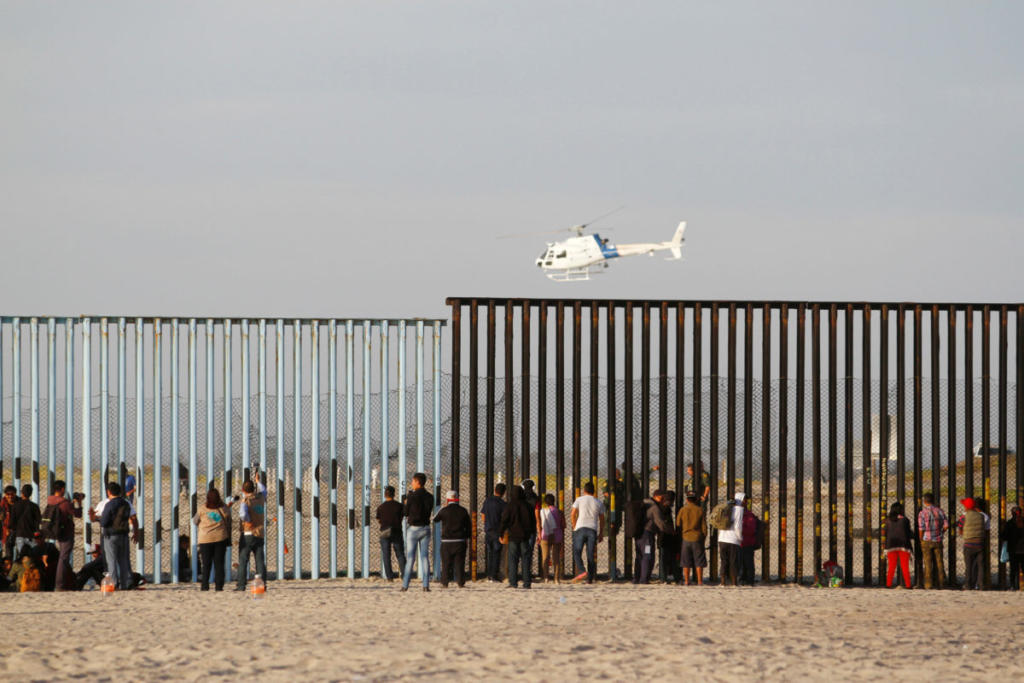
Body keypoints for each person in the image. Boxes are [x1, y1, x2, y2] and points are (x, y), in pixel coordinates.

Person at [90, 481, 139, 590]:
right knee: (124, 560)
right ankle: (125, 584)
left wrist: (96, 517)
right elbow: (134, 518)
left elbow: (104, 521)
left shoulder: (108, 504)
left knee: (111, 561)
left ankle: (114, 583)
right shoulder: (126, 503)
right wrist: (136, 533)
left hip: (110, 535)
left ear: (108, 492)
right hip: (124, 534)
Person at [191, 487, 233, 591]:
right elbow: (228, 520)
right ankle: (219, 586)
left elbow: (195, 521)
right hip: (220, 538)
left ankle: (205, 585)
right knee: (219, 564)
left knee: (206, 564)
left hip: (205, 539)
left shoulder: (202, 509)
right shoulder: (223, 508)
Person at [235, 468, 267, 591]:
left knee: (243, 560)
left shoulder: (245, 501)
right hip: (260, 533)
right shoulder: (260, 498)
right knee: (259, 561)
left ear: (243, 490)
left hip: (248, 533)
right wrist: (258, 481)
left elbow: (242, 514)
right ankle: (261, 586)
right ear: (253, 489)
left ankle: (241, 585)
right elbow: (264, 490)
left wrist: (248, 520)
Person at [401, 472, 434, 592]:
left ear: (418, 482)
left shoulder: (412, 497)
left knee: (410, 558)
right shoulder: (430, 496)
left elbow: (405, 512)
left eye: (413, 481)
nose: (412, 483)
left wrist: (406, 502)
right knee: (424, 557)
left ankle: (405, 585)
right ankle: (426, 585)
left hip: (414, 528)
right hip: (425, 527)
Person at [498, 484, 535, 589]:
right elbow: (533, 521)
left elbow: (504, 521)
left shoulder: (510, 505)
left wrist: (501, 533)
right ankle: (527, 582)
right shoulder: (528, 506)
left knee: (513, 560)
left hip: (513, 536)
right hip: (525, 536)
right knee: (526, 559)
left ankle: (513, 582)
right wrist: (532, 532)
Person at [432, 490, 470, 588]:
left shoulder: (444, 510)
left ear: (447, 499)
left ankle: (445, 582)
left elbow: (434, 519)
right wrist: (466, 537)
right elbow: (468, 526)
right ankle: (460, 582)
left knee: (446, 563)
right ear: (457, 498)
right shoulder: (463, 510)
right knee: (460, 563)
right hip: (460, 540)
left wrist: (442, 507)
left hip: (447, 541)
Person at [42, 480, 75, 591]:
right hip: (66, 532)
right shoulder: (64, 503)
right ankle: (59, 584)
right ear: (61, 489)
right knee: (63, 558)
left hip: (56, 532)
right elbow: (77, 514)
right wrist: (77, 502)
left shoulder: (50, 500)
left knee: (62, 556)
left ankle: (60, 583)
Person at [570, 481, 605, 583]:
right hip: (592, 529)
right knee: (590, 554)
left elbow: (573, 514)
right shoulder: (598, 502)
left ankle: (582, 571)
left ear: (584, 490)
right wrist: (601, 532)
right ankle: (590, 578)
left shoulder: (579, 500)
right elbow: (602, 519)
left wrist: (574, 526)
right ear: (594, 491)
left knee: (577, 551)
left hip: (580, 527)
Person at [635, 489, 670, 584]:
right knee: (647, 555)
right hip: (647, 534)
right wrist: (669, 530)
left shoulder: (644, 502)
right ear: (656, 496)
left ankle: (637, 578)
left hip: (638, 533)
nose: (663, 500)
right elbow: (660, 523)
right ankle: (644, 579)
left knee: (639, 556)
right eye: (662, 497)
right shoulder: (654, 507)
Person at [917, 492, 949, 589]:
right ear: (933, 500)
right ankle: (941, 583)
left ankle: (928, 584)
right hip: (938, 539)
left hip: (926, 539)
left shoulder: (922, 513)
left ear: (924, 501)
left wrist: (921, 539)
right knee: (939, 562)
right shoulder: (940, 511)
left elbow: (921, 528)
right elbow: (946, 525)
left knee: (927, 563)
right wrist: (940, 532)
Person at [957, 497, 989, 590]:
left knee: (969, 566)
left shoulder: (964, 516)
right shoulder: (981, 516)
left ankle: (968, 584)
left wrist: (963, 533)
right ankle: (981, 585)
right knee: (980, 565)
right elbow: (986, 530)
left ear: (966, 507)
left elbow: (960, 528)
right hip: (980, 543)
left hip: (969, 544)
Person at [677, 490, 707, 585]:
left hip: (686, 537)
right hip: (697, 538)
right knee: (699, 561)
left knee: (686, 561)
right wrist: (703, 538)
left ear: (687, 499)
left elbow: (678, 524)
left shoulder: (682, 510)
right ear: (696, 499)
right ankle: (700, 581)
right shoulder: (700, 510)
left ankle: (686, 580)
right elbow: (704, 527)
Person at [376, 485, 406, 581]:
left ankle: (389, 576)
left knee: (386, 555)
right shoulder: (399, 506)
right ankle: (404, 574)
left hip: (384, 530)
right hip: (396, 530)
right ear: (394, 494)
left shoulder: (381, 507)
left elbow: (378, 519)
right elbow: (403, 515)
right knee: (400, 553)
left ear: (385, 495)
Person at [480, 483, 507, 582]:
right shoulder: (503, 504)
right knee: (496, 554)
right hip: (497, 531)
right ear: (504, 493)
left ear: (495, 490)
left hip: (488, 530)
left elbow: (483, 516)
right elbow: (504, 519)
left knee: (490, 553)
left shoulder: (487, 501)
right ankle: (493, 575)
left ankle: (489, 574)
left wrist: (487, 524)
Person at [717, 493, 746, 587]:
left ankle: (722, 582)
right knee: (733, 561)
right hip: (733, 539)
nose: (746, 502)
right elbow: (738, 526)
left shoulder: (727, 508)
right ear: (740, 500)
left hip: (722, 538)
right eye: (744, 499)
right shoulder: (739, 510)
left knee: (723, 561)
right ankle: (734, 583)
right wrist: (740, 538)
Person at [884, 501, 913, 589]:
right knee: (905, 567)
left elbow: (886, 532)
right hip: (904, 545)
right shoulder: (905, 520)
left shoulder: (888, 520)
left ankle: (888, 584)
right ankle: (908, 585)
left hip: (890, 545)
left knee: (891, 566)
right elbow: (908, 533)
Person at [538, 493, 565, 583]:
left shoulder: (543, 511)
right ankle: (556, 578)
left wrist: (539, 535)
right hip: (557, 536)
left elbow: (540, 524)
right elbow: (563, 525)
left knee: (545, 557)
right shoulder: (560, 512)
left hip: (545, 535)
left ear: (545, 502)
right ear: (554, 501)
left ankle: (546, 577)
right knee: (556, 558)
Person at [9, 484, 41, 560]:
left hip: (20, 534)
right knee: (33, 558)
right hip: (31, 535)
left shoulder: (15, 506)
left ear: (22, 493)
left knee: (22, 558)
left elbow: (12, 523)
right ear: (31, 493)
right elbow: (38, 522)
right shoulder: (35, 506)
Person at [1000, 505, 1024, 591]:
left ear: (1012, 513)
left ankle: (1013, 586)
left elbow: (1004, 536)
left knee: (1014, 569)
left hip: (1013, 549)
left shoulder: (1009, 523)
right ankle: (1021, 586)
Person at [659, 490, 679, 583]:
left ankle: (664, 577)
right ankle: (667, 577)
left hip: (664, 536)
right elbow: (666, 523)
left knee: (665, 557)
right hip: (667, 536)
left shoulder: (662, 507)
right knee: (668, 558)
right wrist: (672, 531)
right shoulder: (665, 509)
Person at [740, 497, 760, 586]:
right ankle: (743, 579)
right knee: (742, 563)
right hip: (742, 542)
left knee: (748, 563)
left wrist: (740, 532)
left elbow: (751, 530)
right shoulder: (746, 515)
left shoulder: (749, 515)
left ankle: (749, 580)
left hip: (747, 542)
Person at [1, 485, 17, 560]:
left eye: (12, 494)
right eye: (8, 494)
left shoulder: (19, 503)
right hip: (6, 532)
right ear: (5, 495)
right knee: (8, 554)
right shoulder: (2, 504)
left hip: (18, 531)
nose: (10, 496)